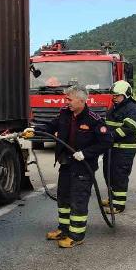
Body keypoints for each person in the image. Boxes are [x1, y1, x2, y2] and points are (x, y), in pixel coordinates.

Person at [23, 85, 112, 248]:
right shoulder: (65, 113)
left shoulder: (94, 119)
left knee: (78, 200)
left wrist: (85, 153)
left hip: (83, 167)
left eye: (69, 99)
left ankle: (77, 235)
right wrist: (34, 130)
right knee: (63, 198)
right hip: (66, 163)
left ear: (81, 100)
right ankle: (63, 229)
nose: (66, 102)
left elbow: (106, 142)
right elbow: (51, 127)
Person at [101, 80, 136, 214]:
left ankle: (119, 205)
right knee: (108, 173)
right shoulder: (114, 107)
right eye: (113, 95)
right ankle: (112, 197)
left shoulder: (133, 109)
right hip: (111, 147)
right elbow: (107, 124)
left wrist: (110, 136)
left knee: (120, 175)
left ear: (126, 95)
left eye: (117, 95)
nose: (114, 98)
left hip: (124, 149)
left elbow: (128, 128)